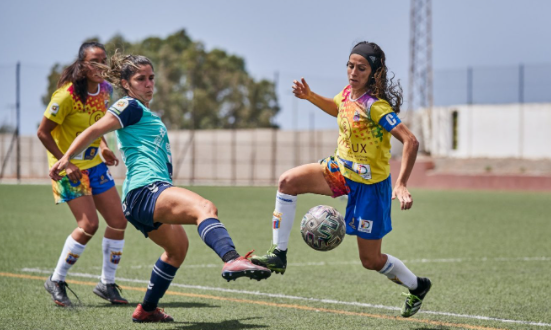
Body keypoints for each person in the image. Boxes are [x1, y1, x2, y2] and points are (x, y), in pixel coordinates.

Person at [49, 52, 272, 323]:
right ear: (126, 83)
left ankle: (147, 309)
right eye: (140, 79)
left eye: (151, 78)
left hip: (142, 198)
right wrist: (66, 157)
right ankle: (232, 258)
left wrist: (105, 150)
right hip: (146, 190)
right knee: (205, 207)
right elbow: (93, 130)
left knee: (177, 250)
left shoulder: (141, 110)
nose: (148, 84)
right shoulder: (128, 105)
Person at [251, 41, 431, 318]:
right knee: (287, 182)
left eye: (361, 68)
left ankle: (417, 286)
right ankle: (278, 254)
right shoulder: (347, 94)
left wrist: (402, 183)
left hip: (371, 188)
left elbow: (411, 140)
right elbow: (337, 108)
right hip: (339, 171)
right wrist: (310, 96)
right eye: (350, 65)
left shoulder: (376, 107)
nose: (353, 72)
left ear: (374, 74)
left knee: (370, 260)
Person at [37, 42, 128, 307]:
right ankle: (56, 279)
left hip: (95, 166)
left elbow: (97, 127)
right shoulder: (65, 96)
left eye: (104, 60)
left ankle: (107, 284)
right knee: (89, 225)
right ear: (83, 65)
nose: (101, 65)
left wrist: (104, 148)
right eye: (94, 61)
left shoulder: (105, 91)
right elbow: (43, 132)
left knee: (118, 222)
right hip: (67, 169)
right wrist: (66, 164)